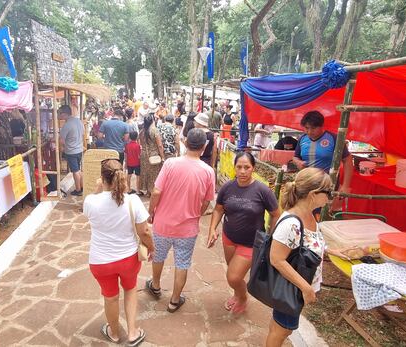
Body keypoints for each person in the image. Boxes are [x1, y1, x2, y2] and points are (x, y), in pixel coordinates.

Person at [83, 158, 153, 347]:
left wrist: (98, 189)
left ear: (102, 178)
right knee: (130, 289)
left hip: (100, 262)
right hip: (128, 259)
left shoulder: (90, 201)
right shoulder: (132, 200)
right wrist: (151, 248)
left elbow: (90, 208)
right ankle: (132, 332)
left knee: (110, 297)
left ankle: (114, 333)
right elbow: (145, 232)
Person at [145, 129, 215, 313]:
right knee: (182, 263)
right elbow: (207, 201)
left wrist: (151, 212)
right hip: (187, 229)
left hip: (163, 224)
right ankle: (174, 301)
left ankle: (156, 286)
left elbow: (156, 192)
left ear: (185, 142)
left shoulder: (170, 163)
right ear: (204, 146)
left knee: (158, 256)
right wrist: (196, 215)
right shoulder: (208, 171)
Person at [266, 167, 335, 346]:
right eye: (328, 192)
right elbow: (276, 259)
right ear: (313, 194)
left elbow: (307, 244)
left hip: (296, 286)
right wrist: (306, 288)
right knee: (282, 330)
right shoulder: (292, 223)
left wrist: (330, 250)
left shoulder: (309, 215)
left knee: (281, 327)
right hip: (291, 288)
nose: (330, 197)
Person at [208, 152, 281, 314]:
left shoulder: (263, 190)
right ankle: (237, 293)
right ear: (234, 167)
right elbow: (218, 209)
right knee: (233, 271)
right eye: (239, 167)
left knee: (233, 277)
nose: (242, 171)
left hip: (251, 242)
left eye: (246, 167)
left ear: (253, 168)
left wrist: (271, 236)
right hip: (229, 238)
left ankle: (242, 297)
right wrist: (212, 229)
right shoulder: (227, 187)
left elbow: (276, 214)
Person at [293, 111, 353, 194]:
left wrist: (346, 186)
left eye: (313, 128)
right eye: (306, 128)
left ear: (322, 126)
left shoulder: (334, 138)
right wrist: (298, 162)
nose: (309, 132)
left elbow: (347, 160)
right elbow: (295, 157)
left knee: (325, 202)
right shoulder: (302, 139)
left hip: (328, 183)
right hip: (307, 182)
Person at [59, 105, 85, 196]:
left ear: (64, 114)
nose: (59, 115)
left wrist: (63, 147)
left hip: (71, 151)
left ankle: (78, 190)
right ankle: (81, 187)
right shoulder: (78, 121)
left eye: (60, 113)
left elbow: (61, 140)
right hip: (79, 149)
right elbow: (83, 133)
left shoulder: (67, 125)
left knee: (75, 171)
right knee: (78, 169)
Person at [139, 115, 165, 197]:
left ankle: (147, 191)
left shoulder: (142, 131)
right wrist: (162, 157)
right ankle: (152, 190)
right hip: (154, 155)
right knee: (154, 174)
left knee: (146, 173)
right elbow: (160, 145)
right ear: (152, 121)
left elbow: (141, 143)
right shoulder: (154, 131)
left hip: (144, 155)